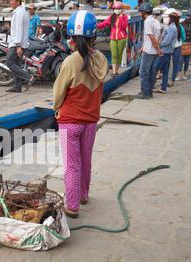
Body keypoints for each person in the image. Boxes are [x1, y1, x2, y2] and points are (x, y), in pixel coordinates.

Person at [53, 10, 108, 218]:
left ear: (71, 38)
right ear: (94, 36)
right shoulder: (101, 59)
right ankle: (83, 195)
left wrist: (56, 108)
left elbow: (59, 93)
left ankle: (72, 205)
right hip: (91, 120)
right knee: (86, 159)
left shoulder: (70, 62)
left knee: (71, 165)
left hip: (69, 121)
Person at [5, 0, 34, 93]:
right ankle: (17, 87)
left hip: (17, 43)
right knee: (17, 64)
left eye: (12, 0)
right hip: (21, 42)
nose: (10, 2)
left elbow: (19, 30)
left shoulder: (19, 13)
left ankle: (29, 77)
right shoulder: (22, 12)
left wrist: (18, 46)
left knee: (9, 62)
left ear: (18, 2)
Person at [136, 2, 162, 100]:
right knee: (151, 72)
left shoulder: (147, 21)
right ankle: (149, 92)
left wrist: (157, 49)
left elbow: (152, 37)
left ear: (144, 12)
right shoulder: (155, 21)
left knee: (143, 72)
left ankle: (145, 93)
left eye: (140, 12)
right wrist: (144, 47)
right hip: (152, 51)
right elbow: (158, 36)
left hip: (149, 51)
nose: (139, 14)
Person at [97, 1, 128, 78]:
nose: (117, 10)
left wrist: (120, 17)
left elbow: (124, 26)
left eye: (118, 8)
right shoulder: (112, 17)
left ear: (121, 9)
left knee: (119, 55)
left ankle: (117, 70)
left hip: (122, 38)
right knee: (114, 55)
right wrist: (96, 25)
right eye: (115, 8)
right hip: (113, 38)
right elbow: (104, 24)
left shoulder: (124, 17)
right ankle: (114, 72)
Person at [154, 9, 177, 94]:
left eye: (166, 17)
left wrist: (158, 44)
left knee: (155, 68)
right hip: (166, 52)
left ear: (171, 18)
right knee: (165, 71)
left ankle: (151, 85)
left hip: (165, 52)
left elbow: (166, 42)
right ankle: (163, 88)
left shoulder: (172, 28)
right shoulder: (169, 27)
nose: (164, 19)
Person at [170, 11, 185, 84]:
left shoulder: (168, 26)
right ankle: (173, 78)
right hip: (177, 46)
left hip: (169, 47)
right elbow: (183, 37)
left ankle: (162, 75)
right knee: (176, 63)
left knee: (166, 63)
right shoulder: (180, 26)